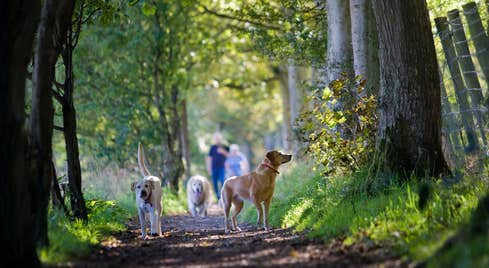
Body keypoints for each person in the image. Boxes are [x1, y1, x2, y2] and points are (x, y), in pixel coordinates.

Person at [206, 132, 229, 199]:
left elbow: (229, 156)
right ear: (214, 139)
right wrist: (208, 168)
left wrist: (223, 152)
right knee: (214, 183)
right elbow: (209, 158)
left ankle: (223, 195)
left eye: (218, 138)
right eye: (216, 138)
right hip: (214, 168)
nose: (217, 140)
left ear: (221, 139)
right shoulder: (212, 147)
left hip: (222, 167)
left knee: (222, 181)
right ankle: (217, 196)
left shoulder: (225, 147)